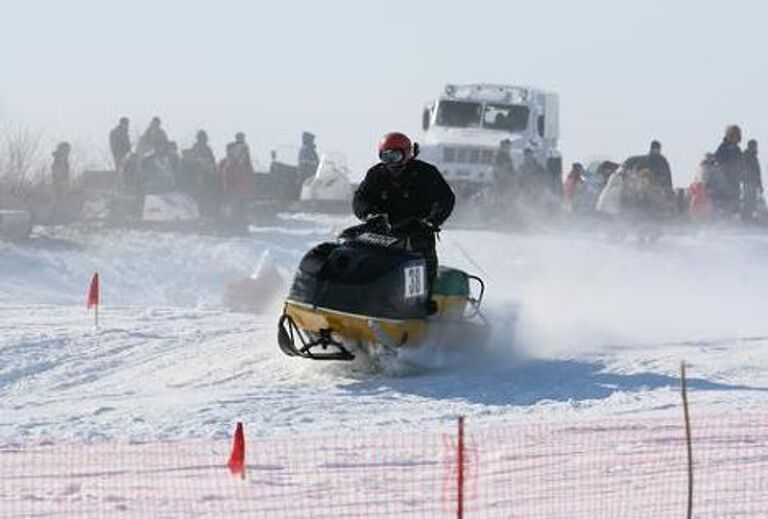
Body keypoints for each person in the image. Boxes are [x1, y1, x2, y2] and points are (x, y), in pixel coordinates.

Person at [353, 131, 455, 296]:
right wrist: (369, 214)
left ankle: (424, 299)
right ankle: (359, 291)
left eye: (395, 156)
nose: (391, 162)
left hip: (417, 229)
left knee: (422, 258)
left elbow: (445, 198)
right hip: (382, 228)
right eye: (385, 157)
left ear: (407, 154)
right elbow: (361, 198)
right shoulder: (375, 174)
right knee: (358, 248)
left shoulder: (426, 173)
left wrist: (432, 221)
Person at [714, 124, 743, 214]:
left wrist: (742, 173)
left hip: (735, 179)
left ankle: (733, 216)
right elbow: (717, 159)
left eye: (737, 135)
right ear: (730, 135)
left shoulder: (737, 149)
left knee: (735, 200)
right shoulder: (723, 147)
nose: (736, 137)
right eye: (734, 135)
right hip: (725, 179)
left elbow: (741, 162)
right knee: (726, 200)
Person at [741, 139, 763, 222]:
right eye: (753, 146)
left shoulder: (754, 157)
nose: (755, 148)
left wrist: (760, 185)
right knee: (748, 201)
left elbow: (757, 173)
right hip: (748, 182)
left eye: (755, 146)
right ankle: (745, 219)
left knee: (752, 202)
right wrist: (745, 178)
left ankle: (749, 218)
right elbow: (741, 169)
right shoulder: (746, 156)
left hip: (753, 183)